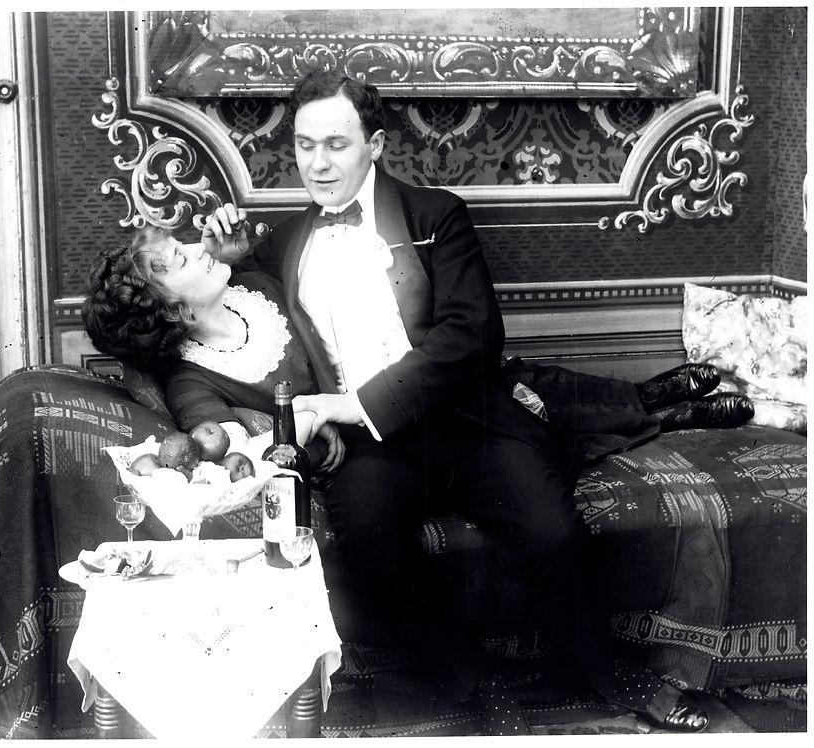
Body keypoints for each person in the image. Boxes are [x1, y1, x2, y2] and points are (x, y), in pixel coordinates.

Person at [198, 70, 723, 734]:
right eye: (305, 146)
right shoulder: (284, 244)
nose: (318, 163)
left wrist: (354, 403)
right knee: (366, 541)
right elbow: (238, 320)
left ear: (375, 145)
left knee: (553, 531)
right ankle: (476, 683)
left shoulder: (434, 214)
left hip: (470, 422)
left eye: (336, 144)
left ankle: (612, 678)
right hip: (373, 449)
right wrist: (235, 259)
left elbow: (473, 336)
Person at [81, 229, 346, 473]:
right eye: (182, 259)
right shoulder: (189, 387)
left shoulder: (252, 282)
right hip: (351, 456)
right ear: (174, 310)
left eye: (181, 245)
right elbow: (240, 462)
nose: (199, 247)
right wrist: (309, 418)